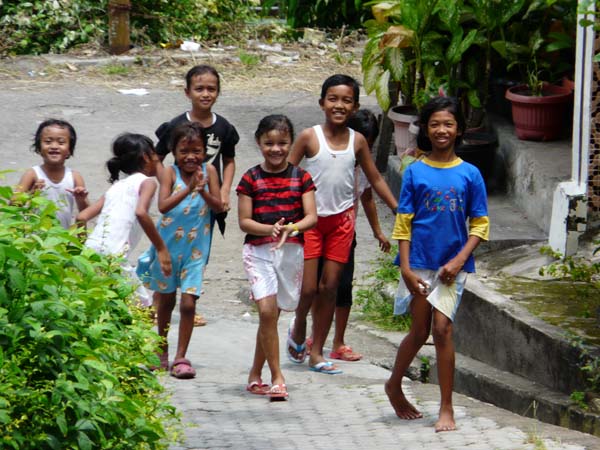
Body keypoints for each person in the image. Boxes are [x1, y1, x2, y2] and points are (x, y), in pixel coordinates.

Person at [384, 96, 489, 432]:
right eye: (435, 124)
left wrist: (459, 260)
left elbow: (480, 225)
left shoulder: (470, 174)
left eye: (448, 124)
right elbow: (404, 223)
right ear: (425, 130)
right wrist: (405, 268)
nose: (441, 130)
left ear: (458, 130)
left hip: (451, 268)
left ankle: (447, 407)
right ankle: (394, 384)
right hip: (418, 264)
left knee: (442, 330)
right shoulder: (415, 172)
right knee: (419, 331)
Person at [287, 74, 397, 374]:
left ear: (355, 105)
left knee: (330, 286)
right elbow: (288, 175)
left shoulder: (358, 141)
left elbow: (374, 178)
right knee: (309, 289)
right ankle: (299, 327)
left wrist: (398, 208)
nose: (339, 105)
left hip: (341, 224)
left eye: (346, 100)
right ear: (322, 102)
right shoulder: (310, 137)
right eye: (333, 99)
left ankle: (318, 351)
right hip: (309, 222)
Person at [237, 115, 317, 400]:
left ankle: (255, 373)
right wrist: (270, 229)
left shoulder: (302, 178)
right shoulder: (250, 178)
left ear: (290, 143)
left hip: (291, 252)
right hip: (258, 252)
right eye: (269, 143)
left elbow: (311, 217)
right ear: (259, 143)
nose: (276, 149)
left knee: (273, 315)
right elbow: (244, 222)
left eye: (282, 143)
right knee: (268, 312)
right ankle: (277, 376)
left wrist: (290, 228)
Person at [155, 64, 239, 327]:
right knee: (168, 251)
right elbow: (156, 159)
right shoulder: (175, 126)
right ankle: (159, 302)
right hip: (179, 205)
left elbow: (230, 160)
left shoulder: (224, 127)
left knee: (198, 252)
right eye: (199, 88)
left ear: (218, 92)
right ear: (187, 92)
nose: (205, 94)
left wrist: (224, 191)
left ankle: (190, 302)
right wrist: (168, 185)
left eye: (211, 89)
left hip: (205, 203)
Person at [137, 122, 223, 379]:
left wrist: (203, 191)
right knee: (165, 300)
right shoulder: (169, 174)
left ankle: (181, 356)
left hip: (196, 251)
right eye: (184, 151)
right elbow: (163, 206)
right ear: (174, 151)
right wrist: (189, 189)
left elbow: (218, 206)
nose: (191, 157)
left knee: (188, 302)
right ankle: (161, 350)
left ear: (204, 151)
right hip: (168, 250)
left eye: (196, 150)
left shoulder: (209, 171)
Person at [310, 109, 391, 362]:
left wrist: (378, 231)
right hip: (317, 228)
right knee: (317, 287)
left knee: (343, 288)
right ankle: (314, 335)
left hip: (345, 233)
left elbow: (368, 198)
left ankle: (339, 341)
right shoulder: (326, 155)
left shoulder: (364, 169)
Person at [76, 133, 172, 308]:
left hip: (90, 252)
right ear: (145, 157)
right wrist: (161, 248)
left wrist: (82, 245)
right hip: (115, 257)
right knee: (144, 309)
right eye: (154, 155)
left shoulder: (117, 187)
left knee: (102, 304)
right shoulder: (147, 182)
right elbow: (141, 213)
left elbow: (81, 217)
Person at [17, 119, 89, 228]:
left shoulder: (75, 177)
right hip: (34, 240)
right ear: (39, 148)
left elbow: (85, 214)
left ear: (69, 149)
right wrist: (30, 194)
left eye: (61, 142)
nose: (54, 146)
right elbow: (13, 207)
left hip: (61, 239)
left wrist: (81, 199)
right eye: (48, 141)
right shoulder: (32, 174)